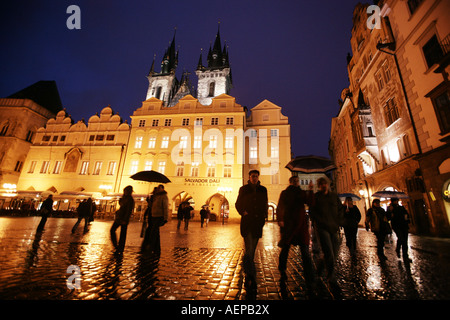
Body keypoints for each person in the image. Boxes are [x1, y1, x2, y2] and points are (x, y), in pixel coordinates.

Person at [277, 176, 315, 291]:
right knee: (285, 248)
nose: (296, 182)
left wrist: (311, 190)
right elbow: (280, 206)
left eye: (297, 181)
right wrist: (280, 219)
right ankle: (282, 269)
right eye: (294, 181)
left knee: (305, 250)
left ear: (298, 183)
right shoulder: (285, 193)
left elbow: (310, 202)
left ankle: (309, 275)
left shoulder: (301, 193)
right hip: (289, 224)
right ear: (290, 182)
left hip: (300, 224)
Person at [309, 177, 344, 294]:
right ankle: (331, 278)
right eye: (321, 184)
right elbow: (312, 211)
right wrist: (318, 223)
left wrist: (339, 221)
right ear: (319, 186)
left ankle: (318, 272)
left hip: (334, 228)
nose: (324, 185)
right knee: (329, 252)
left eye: (325, 183)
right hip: (322, 228)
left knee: (333, 252)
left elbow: (340, 209)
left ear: (328, 185)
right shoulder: (316, 197)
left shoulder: (334, 196)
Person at [235, 169, 268, 290]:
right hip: (247, 222)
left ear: (258, 177)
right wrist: (243, 212)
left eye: (256, 176)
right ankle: (250, 273)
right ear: (249, 177)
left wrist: (265, 216)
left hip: (258, 222)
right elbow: (237, 203)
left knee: (252, 249)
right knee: (249, 247)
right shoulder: (243, 189)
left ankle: (248, 266)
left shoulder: (263, 189)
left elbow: (265, 203)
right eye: (252, 176)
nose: (254, 178)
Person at [110, 185, 135, 252]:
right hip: (119, 217)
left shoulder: (130, 199)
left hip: (123, 218)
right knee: (113, 230)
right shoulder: (124, 198)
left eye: (126, 191)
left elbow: (129, 210)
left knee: (122, 234)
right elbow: (122, 207)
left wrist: (125, 219)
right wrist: (120, 201)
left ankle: (120, 248)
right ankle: (116, 246)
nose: (125, 192)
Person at [146, 184, 169, 254]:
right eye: (158, 188)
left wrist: (165, 218)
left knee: (153, 232)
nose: (158, 189)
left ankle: (151, 248)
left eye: (160, 188)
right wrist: (149, 201)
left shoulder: (164, 196)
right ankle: (157, 249)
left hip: (159, 216)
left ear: (162, 189)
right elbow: (152, 206)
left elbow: (165, 207)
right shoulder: (157, 196)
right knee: (156, 232)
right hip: (154, 216)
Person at [388, 198, 412, 262]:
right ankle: (398, 249)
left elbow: (406, 215)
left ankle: (405, 256)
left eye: (396, 201)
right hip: (396, 226)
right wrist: (390, 212)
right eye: (394, 201)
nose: (396, 202)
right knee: (401, 238)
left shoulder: (401, 207)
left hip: (404, 225)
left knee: (405, 241)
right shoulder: (390, 209)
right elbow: (388, 217)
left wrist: (407, 220)